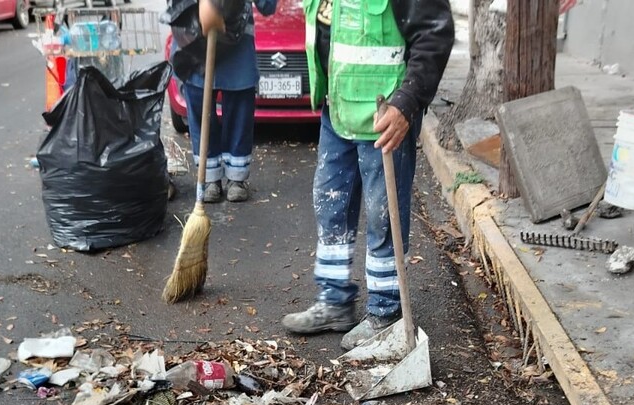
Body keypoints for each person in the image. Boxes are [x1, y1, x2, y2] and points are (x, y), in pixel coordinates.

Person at [281, 0, 454, 342]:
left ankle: (385, 314)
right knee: (330, 206)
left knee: (383, 216)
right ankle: (334, 302)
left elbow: (434, 33)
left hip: (385, 117)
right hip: (340, 109)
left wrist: (407, 103)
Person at [175, 0, 278, 203]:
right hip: (196, 43)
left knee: (240, 110)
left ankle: (236, 178)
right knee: (199, 108)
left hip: (237, 45)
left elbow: (268, 6)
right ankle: (209, 177)